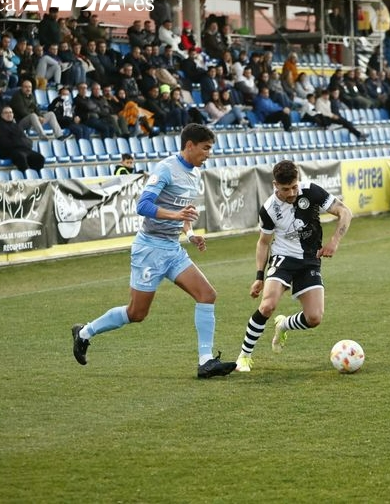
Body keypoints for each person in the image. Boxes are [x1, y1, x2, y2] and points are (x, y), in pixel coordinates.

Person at [71, 124, 237, 379]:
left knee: (207, 295)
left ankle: (205, 362)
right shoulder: (166, 168)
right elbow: (143, 205)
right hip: (149, 249)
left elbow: (184, 213)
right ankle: (84, 332)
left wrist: (190, 234)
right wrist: (175, 215)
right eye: (205, 148)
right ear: (190, 145)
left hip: (172, 248)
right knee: (136, 313)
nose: (208, 154)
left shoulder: (195, 174)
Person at [234, 160, 353, 372]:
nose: (291, 193)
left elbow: (345, 212)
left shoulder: (311, 191)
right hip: (283, 258)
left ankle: (284, 325)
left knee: (314, 318)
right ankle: (243, 356)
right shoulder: (269, 209)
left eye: (294, 187)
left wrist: (334, 241)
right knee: (267, 305)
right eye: (285, 189)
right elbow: (263, 242)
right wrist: (259, 276)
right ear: (275, 185)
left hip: (309, 259)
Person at [0, 107, 46, 172]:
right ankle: (26, 177)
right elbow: (3, 143)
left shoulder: (16, 126)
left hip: (23, 149)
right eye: (6, 113)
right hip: (9, 152)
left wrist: (20, 142)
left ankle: (37, 177)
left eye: (10, 112)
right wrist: (20, 142)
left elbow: (28, 141)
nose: (9, 114)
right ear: (2, 115)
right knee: (21, 157)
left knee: (39, 158)